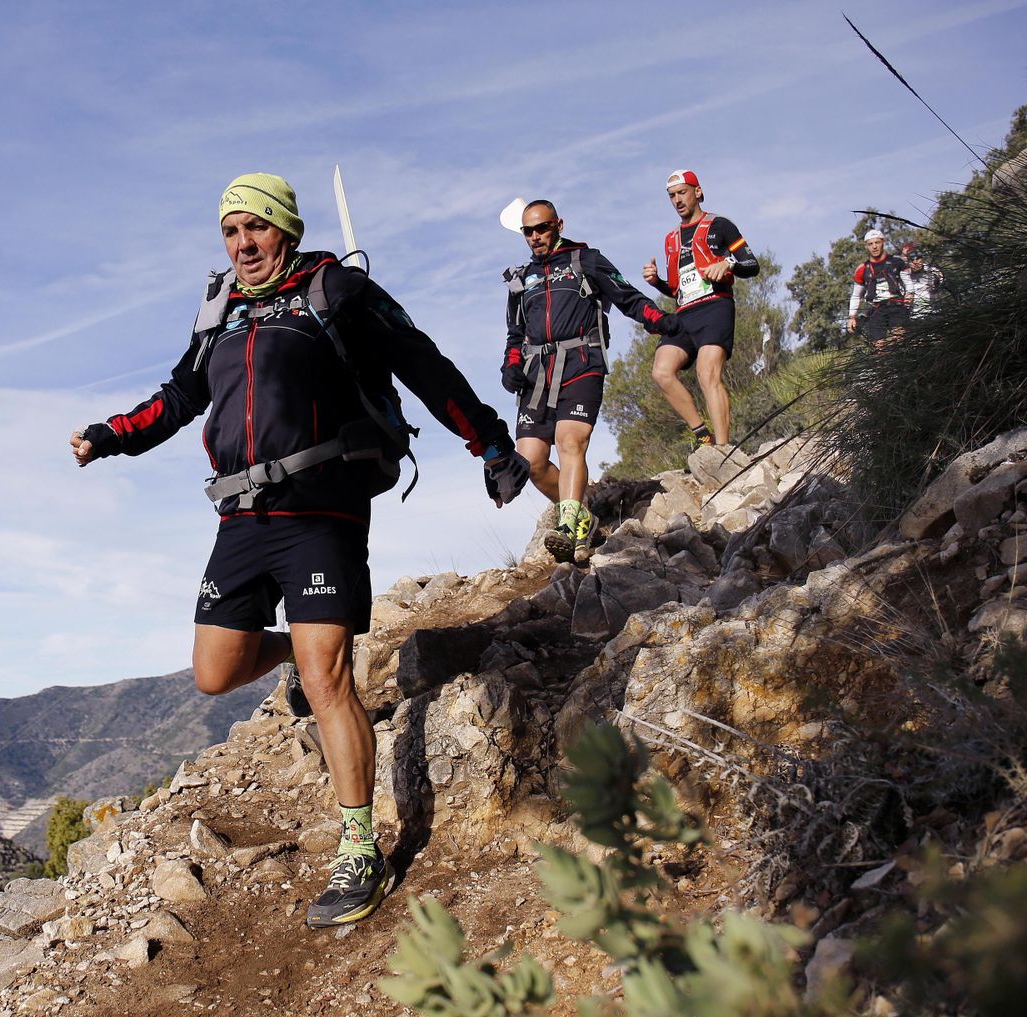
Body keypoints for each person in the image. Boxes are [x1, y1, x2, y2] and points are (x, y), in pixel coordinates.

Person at [71, 173, 530, 930]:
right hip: (241, 518)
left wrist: (489, 442)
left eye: (256, 228)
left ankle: (360, 848)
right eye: (230, 231)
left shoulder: (336, 290)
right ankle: (293, 652)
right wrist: (112, 435)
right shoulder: (219, 310)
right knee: (215, 671)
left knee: (328, 676)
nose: (242, 244)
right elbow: (180, 397)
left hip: (324, 505)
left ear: (286, 228)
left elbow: (423, 365)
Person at [502, 199, 683, 565]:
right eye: (528, 231)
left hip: (582, 364)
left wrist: (660, 321)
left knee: (570, 442)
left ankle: (568, 528)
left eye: (542, 228)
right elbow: (514, 333)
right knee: (531, 462)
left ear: (559, 225)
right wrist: (511, 365)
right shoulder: (521, 280)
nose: (535, 236)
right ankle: (580, 512)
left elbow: (626, 296)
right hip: (537, 376)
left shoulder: (586, 261)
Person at [640, 169, 760, 450]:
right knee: (661, 371)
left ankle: (723, 448)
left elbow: (751, 265)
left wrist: (728, 263)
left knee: (707, 373)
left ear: (698, 192)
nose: (677, 200)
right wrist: (656, 281)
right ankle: (701, 432)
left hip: (715, 308)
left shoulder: (720, 225)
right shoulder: (671, 239)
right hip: (685, 313)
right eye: (672, 196)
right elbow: (675, 289)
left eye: (682, 192)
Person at [847, 228, 909, 345]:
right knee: (879, 346)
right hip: (877, 309)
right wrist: (852, 317)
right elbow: (856, 296)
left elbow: (911, 279)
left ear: (883, 242)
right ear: (866, 246)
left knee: (900, 338)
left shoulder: (897, 262)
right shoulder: (862, 269)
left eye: (877, 242)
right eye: (870, 244)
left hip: (897, 305)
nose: (874, 247)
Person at [900, 242, 944, 315]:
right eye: (904, 256)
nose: (915, 262)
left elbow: (942, 286)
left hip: (934, 313)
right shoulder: (903, 275)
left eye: (917, 259)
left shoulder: (933, 271)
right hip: (914, 315)